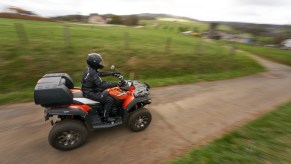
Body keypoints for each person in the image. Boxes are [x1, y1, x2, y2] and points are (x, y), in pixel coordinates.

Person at [81, 53, 120, 123]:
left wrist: (111, 73)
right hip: (90, 93)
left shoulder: (90, 69)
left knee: (107, 92)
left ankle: (102, 109)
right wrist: (115, 84)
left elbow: (100, 74)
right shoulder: (92, 73)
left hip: (91, 89)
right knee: (109, 99)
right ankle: (105, 118)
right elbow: (101, 84)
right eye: (99, 62)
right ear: (94, 63)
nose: (101, 63)